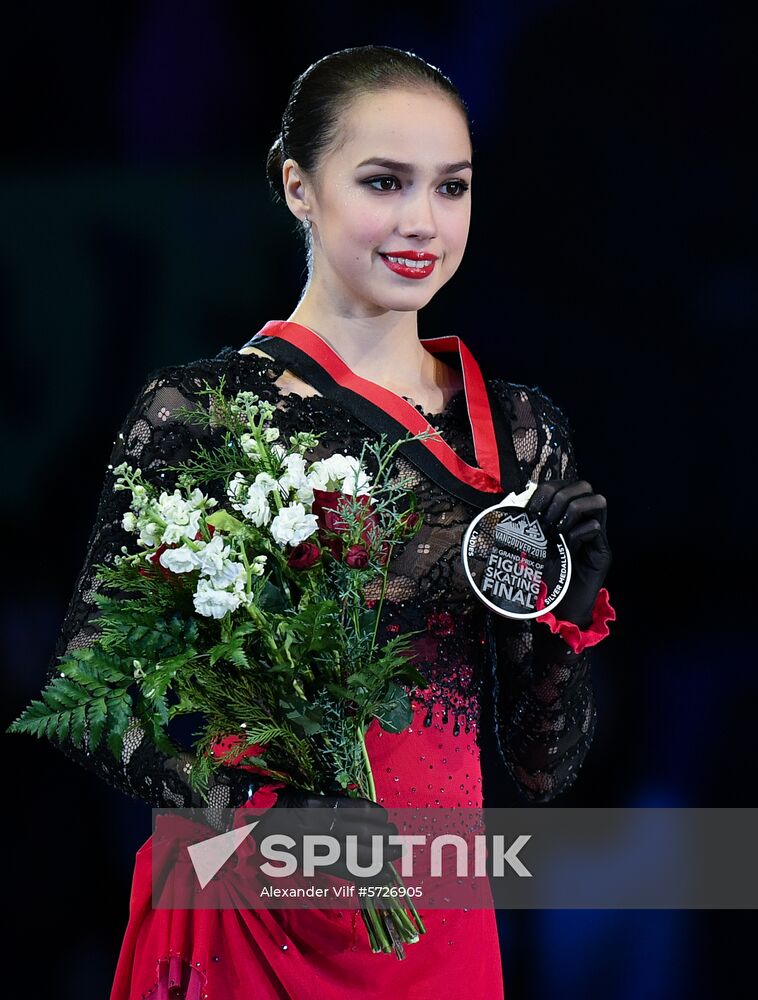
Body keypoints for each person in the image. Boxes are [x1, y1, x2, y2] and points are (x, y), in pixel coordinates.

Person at [42, 45, 615, 1000]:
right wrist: (260, 805)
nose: (422, 223)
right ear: (298, 186)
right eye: (384, 183)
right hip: (250, 917)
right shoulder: (204, 412)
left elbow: (540, 767)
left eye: (452, 187)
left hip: (435, 921)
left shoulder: (519, 430)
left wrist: (559, 627)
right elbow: (91, 698)